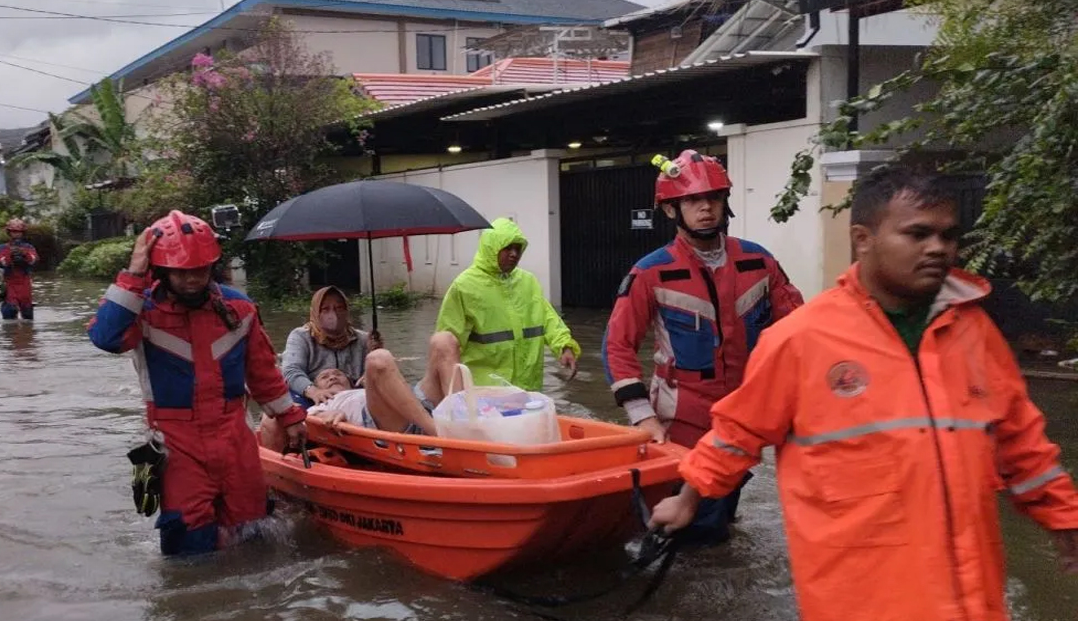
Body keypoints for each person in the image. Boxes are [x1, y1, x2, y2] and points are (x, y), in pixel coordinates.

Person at [650, 165, 1078, 621]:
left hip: (971, 601)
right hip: (861, 600)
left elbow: (1022, 445)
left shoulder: (974, 334)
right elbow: (738, 431)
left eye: (947, 236)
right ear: (863, 239)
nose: (938, 248)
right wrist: (688, 496)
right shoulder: (800, 342)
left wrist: (1064, 517)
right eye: (917, 234)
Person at [601, 148, 803, 546]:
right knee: (698, 532)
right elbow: (618, 346)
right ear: (672, 210)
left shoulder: (759, 261)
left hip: (741, 421)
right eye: (693, 200)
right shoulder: (649, 272)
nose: (705, 208)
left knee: (722, 513)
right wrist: (643, 417)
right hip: (680, 421)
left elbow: (799, 330)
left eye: (713, 198)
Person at [87, 210, 307, 557]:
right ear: (162, 270)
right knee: (188, 550)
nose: (192, 279)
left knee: (254, 535)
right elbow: (105, 336)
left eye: (200, 270)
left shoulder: (239, 308)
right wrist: (134, 272)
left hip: (234, 434)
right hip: (177, 444)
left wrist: (290, 417)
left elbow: (263, 372)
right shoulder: (140, 312)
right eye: (182, 272)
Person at [436, 217, 579, 391]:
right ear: (491, 248)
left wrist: (564, 347)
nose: (514, 254)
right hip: (485, 392)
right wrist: (454, 396)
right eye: (507, 248)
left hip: (528, 389)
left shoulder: (528, 282)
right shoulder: (464, 287)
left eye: (518, 248)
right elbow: (446, 344)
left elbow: (549, 319)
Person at [260, 332, 465, 450]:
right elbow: (307, 420)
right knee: (378, 360)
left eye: (338, 374)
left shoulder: (361, 388)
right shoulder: (323, 405)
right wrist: (326, 414)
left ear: (351, 382)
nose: (332, 376)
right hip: (387, 422)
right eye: (325, 377)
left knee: (444, 341)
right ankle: (448, 437)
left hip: (413, 405)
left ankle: (461, 422)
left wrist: (374, 380)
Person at [281, 285, 382, 408]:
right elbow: (291, 371)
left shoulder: (364, 339)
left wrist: (376, 360)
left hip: (355, 398)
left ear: (347, 311)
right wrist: (314, 392)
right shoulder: (301, 336)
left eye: (339, 308)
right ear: (316, 312)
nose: (333, 314)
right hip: (311, 398)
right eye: (325, 309)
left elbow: (379, 374)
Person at [0, 218, 38, 320]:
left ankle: (27, 333)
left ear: (23, 233)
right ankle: (10, 333)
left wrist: (24, 255)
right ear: (9, 232)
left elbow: (34, 260)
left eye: (19, 232)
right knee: (10, 310)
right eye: (14, 232)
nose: (16, 234)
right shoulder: (2, 248)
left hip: (25, 281)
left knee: (27, 312)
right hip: (10, 281)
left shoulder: (29, 247)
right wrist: (10, 257)